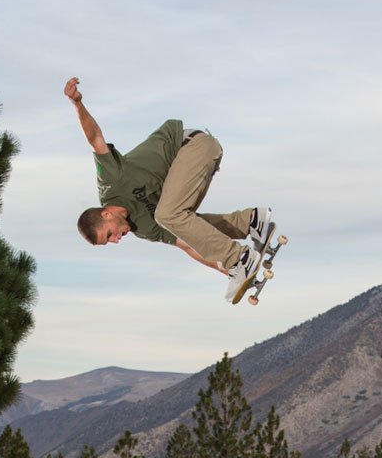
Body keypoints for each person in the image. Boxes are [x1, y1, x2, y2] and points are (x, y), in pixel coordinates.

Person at [64, 77, 274, 302]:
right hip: (198, 162)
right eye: (110, 241)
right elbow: (189, 244)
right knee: (183, 224)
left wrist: (77, 104)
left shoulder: (111, 182)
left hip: (192, 146)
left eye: (109, 234)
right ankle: (251, 222)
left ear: (106, 214)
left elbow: (95, 139)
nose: (116, 240)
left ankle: (239, 259)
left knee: (167, 214)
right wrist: (229, 274)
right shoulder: (143, 228)